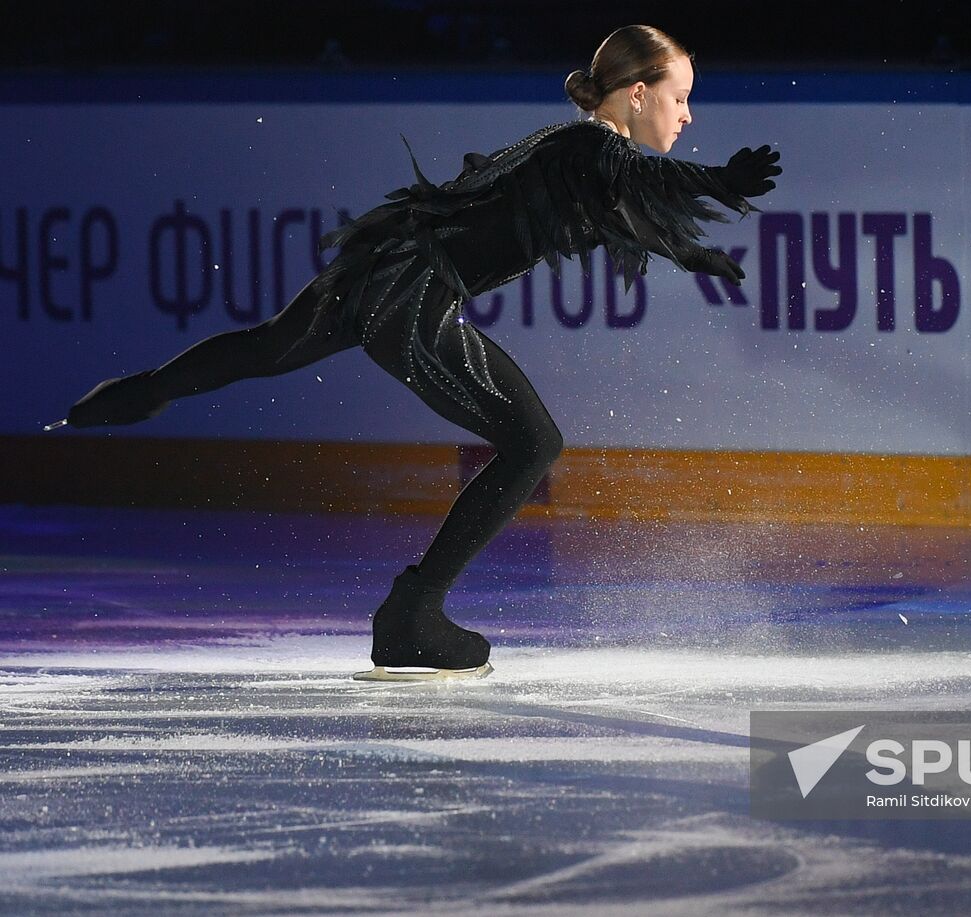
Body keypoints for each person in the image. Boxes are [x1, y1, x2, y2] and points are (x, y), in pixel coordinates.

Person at [46, 25, 782, 680]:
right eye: (680, 98)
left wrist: (690, 246)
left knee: (267, 346)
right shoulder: (592, 145)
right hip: (413, 294)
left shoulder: (577, 151)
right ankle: (412, 615)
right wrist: (717, 182)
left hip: (386, 264)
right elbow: (637, 179)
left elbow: (620, 208)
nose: (687, 115)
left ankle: (138, 392)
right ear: (635, 92)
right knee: (533, 442)